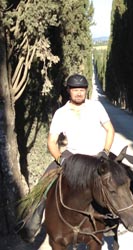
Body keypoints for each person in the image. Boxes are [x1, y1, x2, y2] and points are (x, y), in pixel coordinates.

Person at [16, 73, 115, 242]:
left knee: (119, 180)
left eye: (82, 90)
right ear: (69, 91)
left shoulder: (96, 107)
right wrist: (60, 158)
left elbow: (110, 130)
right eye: (75, 90)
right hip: (72, 157)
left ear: (86, 91)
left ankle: (114, 220)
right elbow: (51, 142)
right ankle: (31, 224)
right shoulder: (60, 113)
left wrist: (105, 151)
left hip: (97, 155)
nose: (78, 93)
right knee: (44, 183)